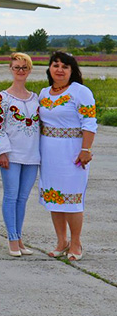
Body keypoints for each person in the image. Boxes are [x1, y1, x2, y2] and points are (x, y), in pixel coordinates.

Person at [38, 51, 96, 262]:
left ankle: (76, 242)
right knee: (55, 198)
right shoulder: (44, 94)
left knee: (72, 200)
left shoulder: (80, 92)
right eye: (56, 65)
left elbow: (89, 123)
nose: (60, 70)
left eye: (65, 66)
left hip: (72, 153)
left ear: (72, 71)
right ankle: (61, 242)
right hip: (49, 153)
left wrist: (86, 150)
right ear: (49, 69)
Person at [0, 53, 40, 257]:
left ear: (29, 70)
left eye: (24, 67)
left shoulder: (36, 98)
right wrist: (2, 151)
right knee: (11, 196)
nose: (20, 71)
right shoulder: (3, 97)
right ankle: (11, 238)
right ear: (10, 69)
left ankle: (19, 238)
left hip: (32, 156)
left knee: (23, 198)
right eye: (17, 67)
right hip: (11, 154)